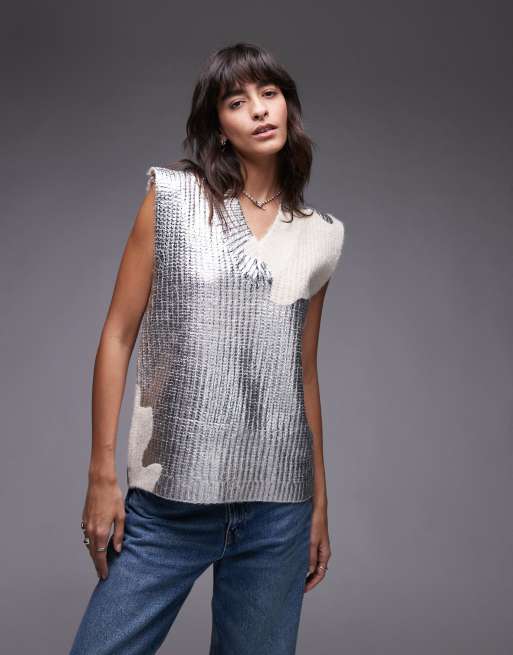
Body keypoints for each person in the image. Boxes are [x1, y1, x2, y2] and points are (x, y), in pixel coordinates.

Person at [69, 41, 346, 655]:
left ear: (288, 106)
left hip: (278, 505)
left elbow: (303, 373)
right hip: (171, 495)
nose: (259, 110)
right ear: (218, 126)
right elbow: (118, 334)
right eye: (237, 101)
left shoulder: (322, 237)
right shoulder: (171, 199)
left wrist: (319, 502)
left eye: (269, 94)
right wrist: (101, 473)